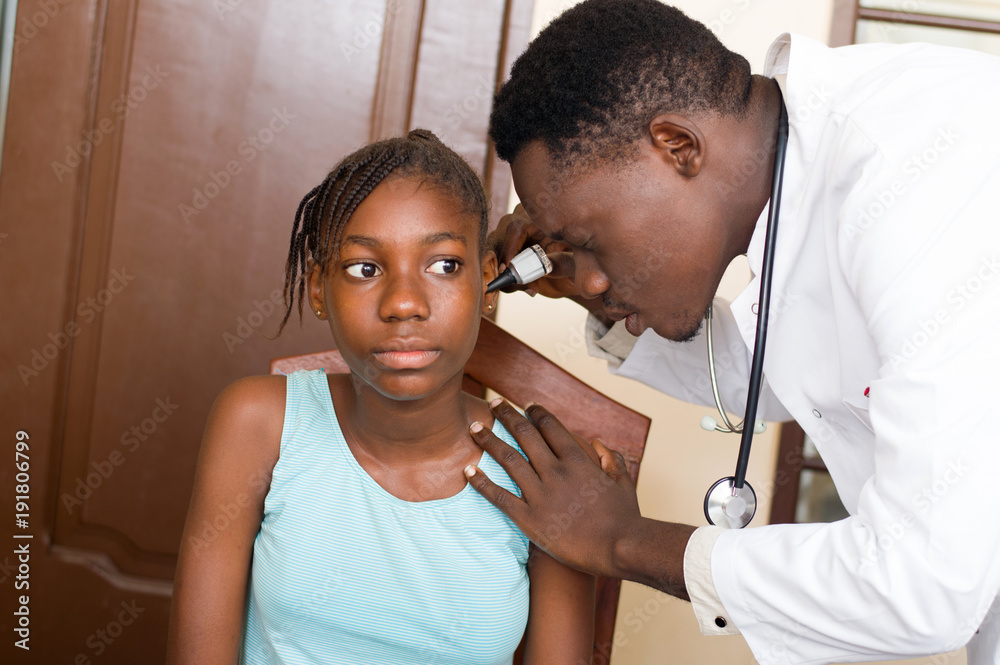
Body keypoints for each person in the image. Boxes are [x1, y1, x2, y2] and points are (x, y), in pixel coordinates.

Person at [459, 1, 1000, 664]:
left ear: (677, 147)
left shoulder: (915, 173)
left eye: (590, 242)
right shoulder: (798, 171)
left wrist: (622, 540)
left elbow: (923, 584)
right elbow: (786, 377)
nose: (591, 279)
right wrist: (599, 300)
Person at [166, 129, 595, 665]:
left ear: (486, 284)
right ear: (319, 290)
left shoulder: (544, 475)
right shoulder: (258, 424)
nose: (404, 303)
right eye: (365, 269)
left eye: (443, 265)